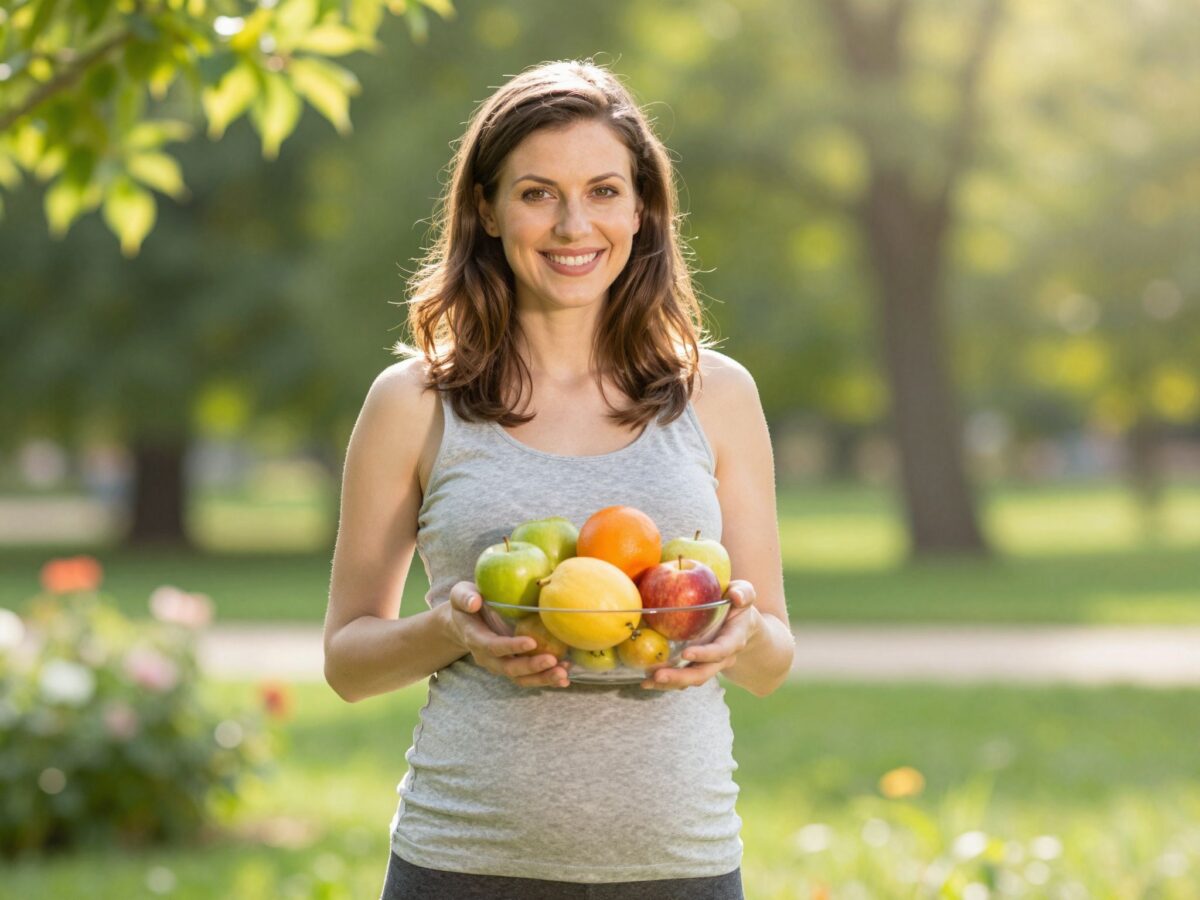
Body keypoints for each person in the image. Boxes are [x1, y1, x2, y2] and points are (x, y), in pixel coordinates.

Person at [322, 59, 795, 900]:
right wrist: (456, 631)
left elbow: (771, 660)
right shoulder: (415, 402)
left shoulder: (717, 395)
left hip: (679, 865)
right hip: (463, 864)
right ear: (487, 209)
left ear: (643, 208)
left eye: (605, 191)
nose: (575, 225)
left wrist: (741, 636)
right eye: (538, 192)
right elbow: (348, 663)